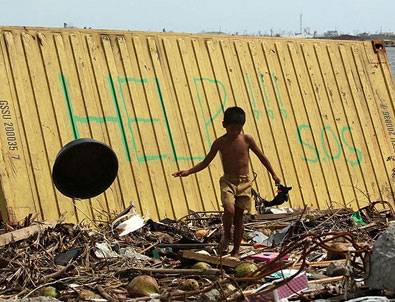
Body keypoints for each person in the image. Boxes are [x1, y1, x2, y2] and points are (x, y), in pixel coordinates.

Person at [172, 106, 281, 257]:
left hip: (245, 183)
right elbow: (205, 162)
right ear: (224, 125)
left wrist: (274, 174)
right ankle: (227, 235)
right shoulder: (219, 143)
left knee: (239, 218)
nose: (235, 132)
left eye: (238, 129)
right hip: (228, 181)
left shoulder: (247, 139)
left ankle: (235, 251)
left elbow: (262, 157)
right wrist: (188, 172)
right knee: (229, 210)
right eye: (232, 128)